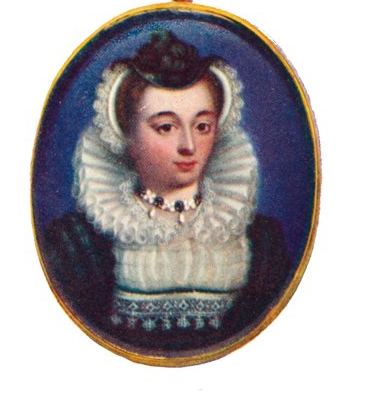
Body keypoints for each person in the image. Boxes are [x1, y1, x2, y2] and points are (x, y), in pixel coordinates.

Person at [43, 31, 291, 353]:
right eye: (166, 127)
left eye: (202, 126)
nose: (188, 145)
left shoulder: (262, 239)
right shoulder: (77, 242)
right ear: (127, 136)